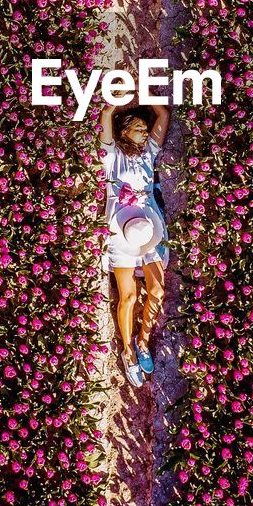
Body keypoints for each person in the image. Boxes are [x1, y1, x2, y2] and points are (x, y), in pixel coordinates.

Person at [99, 93, 170, 388]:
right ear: (124, 130)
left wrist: (148, 93)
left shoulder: (148, 154)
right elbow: (105, 120)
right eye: (138, 128)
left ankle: (143, 341)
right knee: (128, 296)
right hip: (120, 227)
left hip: (148, 226)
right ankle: (128, 351)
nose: (144, 132)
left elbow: (163, 117)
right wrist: (115, 102)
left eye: (144, 128)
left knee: (157, 290)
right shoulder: (113, 155)